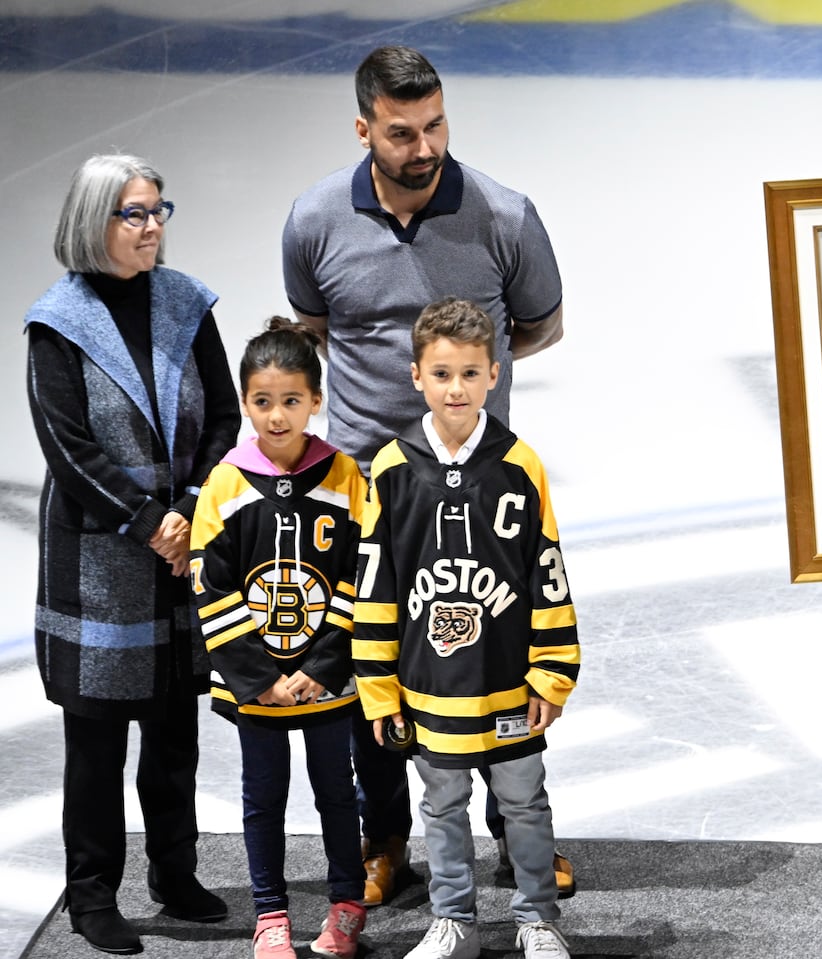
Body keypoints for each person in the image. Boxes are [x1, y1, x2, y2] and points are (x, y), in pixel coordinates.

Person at [281, 43, 571, 906]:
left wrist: (458, 394)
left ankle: (519, 838)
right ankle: (387, 842)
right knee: (382, 659)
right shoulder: (314, 219)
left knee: (494, 651)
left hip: (484, 482)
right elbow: (315, 325)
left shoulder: (505, 214)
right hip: (372, 483)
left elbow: (540, 326)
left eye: (436, 124)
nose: (425, 146)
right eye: (403, 132)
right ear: (364, 127)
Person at [25, 154, 240, 954]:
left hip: (179, 549)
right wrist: (151, 519)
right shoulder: (57, 321)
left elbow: (224, 416)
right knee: (97, 740)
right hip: (101, 563)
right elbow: (68, 449)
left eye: (158, 211)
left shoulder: (187, 303)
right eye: (135, 214)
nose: (153, 227)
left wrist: (187, 512)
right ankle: (90, 895)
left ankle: (174, 874)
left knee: (173, 731)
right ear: (95, 222)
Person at [353, 297, 580, 959]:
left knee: (525, 804)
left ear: (495, 375)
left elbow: (549, 573)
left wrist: (552, 671)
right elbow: (376, 586)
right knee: (442, 804)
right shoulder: (392, 471)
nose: (457, 387)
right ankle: (452, 921)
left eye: (470, 373)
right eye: (443, 372)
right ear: (416, 375)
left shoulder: (521, 465)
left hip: (508, 683)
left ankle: (536, 917)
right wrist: (378, 685)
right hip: (428, 685)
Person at [189, 319, 370, 959]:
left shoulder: (346, 477)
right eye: (262, 402)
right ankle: (270, 915)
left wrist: (322, 664)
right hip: (256, 686)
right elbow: (211, 588)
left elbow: (361, 574)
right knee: (262, 798)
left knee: (336, 794)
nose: (276, 415)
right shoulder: (225, 483)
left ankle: (347, 906)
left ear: (316, 400)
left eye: (291, 400)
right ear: (244, 403)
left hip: (325, 679)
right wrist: (259, 678)